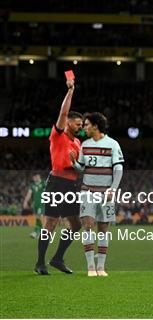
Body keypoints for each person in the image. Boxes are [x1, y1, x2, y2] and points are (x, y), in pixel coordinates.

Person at [35, 78, 83, 275]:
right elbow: (63, 112)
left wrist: (78, 166)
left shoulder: (78, 142)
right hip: (56, 183)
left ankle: (57, 258)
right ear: (68, 122)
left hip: (72, 185)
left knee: (76, 224)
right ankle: (40, 263)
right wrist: (70, 90)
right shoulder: (58, 135)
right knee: (51, 223)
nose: (80, 126)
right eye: (78, 123)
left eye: (82, 124)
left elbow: (80, 167)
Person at [70, 112, 124, 276]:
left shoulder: (113, 144)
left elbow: (118, 168)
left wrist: (113, 189)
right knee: (87, 225)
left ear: (95, 126)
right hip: (88, 191)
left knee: (103, 228)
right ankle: (91, 267)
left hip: (105, 192)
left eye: (86, 125)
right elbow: (81, 168)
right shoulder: (85, 145)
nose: (84, 128)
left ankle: (101, 267)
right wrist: (74, 163)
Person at [23, 173, 46, 239]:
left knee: (39, 217)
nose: (34, 178)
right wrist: (25, 201)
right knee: (37, 218)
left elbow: (48, 192)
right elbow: (29, 194)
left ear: (38, 176)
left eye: (35, 176)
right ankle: (37, 232)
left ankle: (41, 233)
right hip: (35, 204)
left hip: (42, 204)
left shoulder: (43, 183)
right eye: (33, 177)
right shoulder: (32, 185)